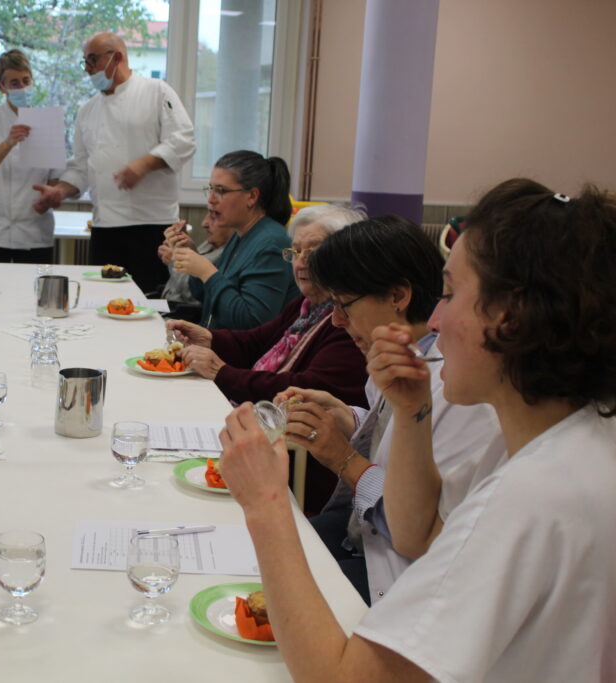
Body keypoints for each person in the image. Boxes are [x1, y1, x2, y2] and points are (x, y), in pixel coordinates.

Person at [218, 178, 616, 682]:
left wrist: (266, 503)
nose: (434, 318)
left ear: (509, 320)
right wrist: (409, 412)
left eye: (449, 294)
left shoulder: (533, 496)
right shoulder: (569, 437)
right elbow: (416, 529)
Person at [274, 216, 502, 602]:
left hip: (393, 571)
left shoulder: (460, 389)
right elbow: (397, 439)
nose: (336, 320)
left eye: (344, 305)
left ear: (398, 296)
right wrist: (347, 418)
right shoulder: (404, 355)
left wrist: (341, 458)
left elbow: (416, 525)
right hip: (360, 536)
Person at [166, 204, 369, 514]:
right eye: (296, 252)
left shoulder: (347, 321)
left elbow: (300, 388)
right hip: (272, 438)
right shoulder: (308, 304)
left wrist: (221, 372)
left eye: (312, 252)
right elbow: (259, 339)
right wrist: (210, 339)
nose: (301, 263)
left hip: (302, 471)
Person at [32, 32, 195, 294]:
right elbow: (81, 167)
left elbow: (184, 140)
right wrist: (60, 191)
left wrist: (144, 164)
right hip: (105, 228)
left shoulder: (155, 90)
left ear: (116, 57)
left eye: (93, 60)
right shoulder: (87, 110)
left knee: (149, 303)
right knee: (104, 301)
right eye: (84, 62)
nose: (87, 69)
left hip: (152, 226)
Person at [175, 150, 298, 330]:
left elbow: (252, 323)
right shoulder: (242, 234)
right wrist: (192, 257)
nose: (210, 200)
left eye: (221, 191)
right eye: (210, 189)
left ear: (252, 196)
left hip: (243, 356)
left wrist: (207, 271)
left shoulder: (272, 243)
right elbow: (205, 295)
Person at [0, 49, 63, 264]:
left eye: (26, 81)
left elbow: (55, 180)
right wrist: (8, 142)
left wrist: (51, 198)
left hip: (35, 232)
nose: (22, 87)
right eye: (15, 83)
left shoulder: (48, 122)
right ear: (2, 87)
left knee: (33, 294)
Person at [154, 216, 233, 321]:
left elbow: (191, 293)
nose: (204, 223)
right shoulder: (210, 244)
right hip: (165, 305)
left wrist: (175, 260)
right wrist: (179, 244)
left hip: (179, 317)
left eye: (215, 217)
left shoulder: (227, 255)